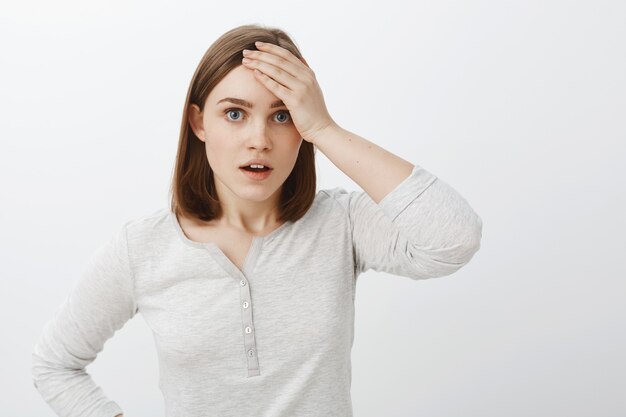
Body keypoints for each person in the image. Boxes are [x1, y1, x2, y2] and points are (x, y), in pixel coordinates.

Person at [31, 23, 483, 417]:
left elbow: (453, 240)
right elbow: (55, 365)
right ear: (198, 122)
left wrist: (324, 128)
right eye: (234, 113)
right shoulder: (142, 247)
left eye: (282, 115)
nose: (259, 140)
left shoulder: (340, 224)